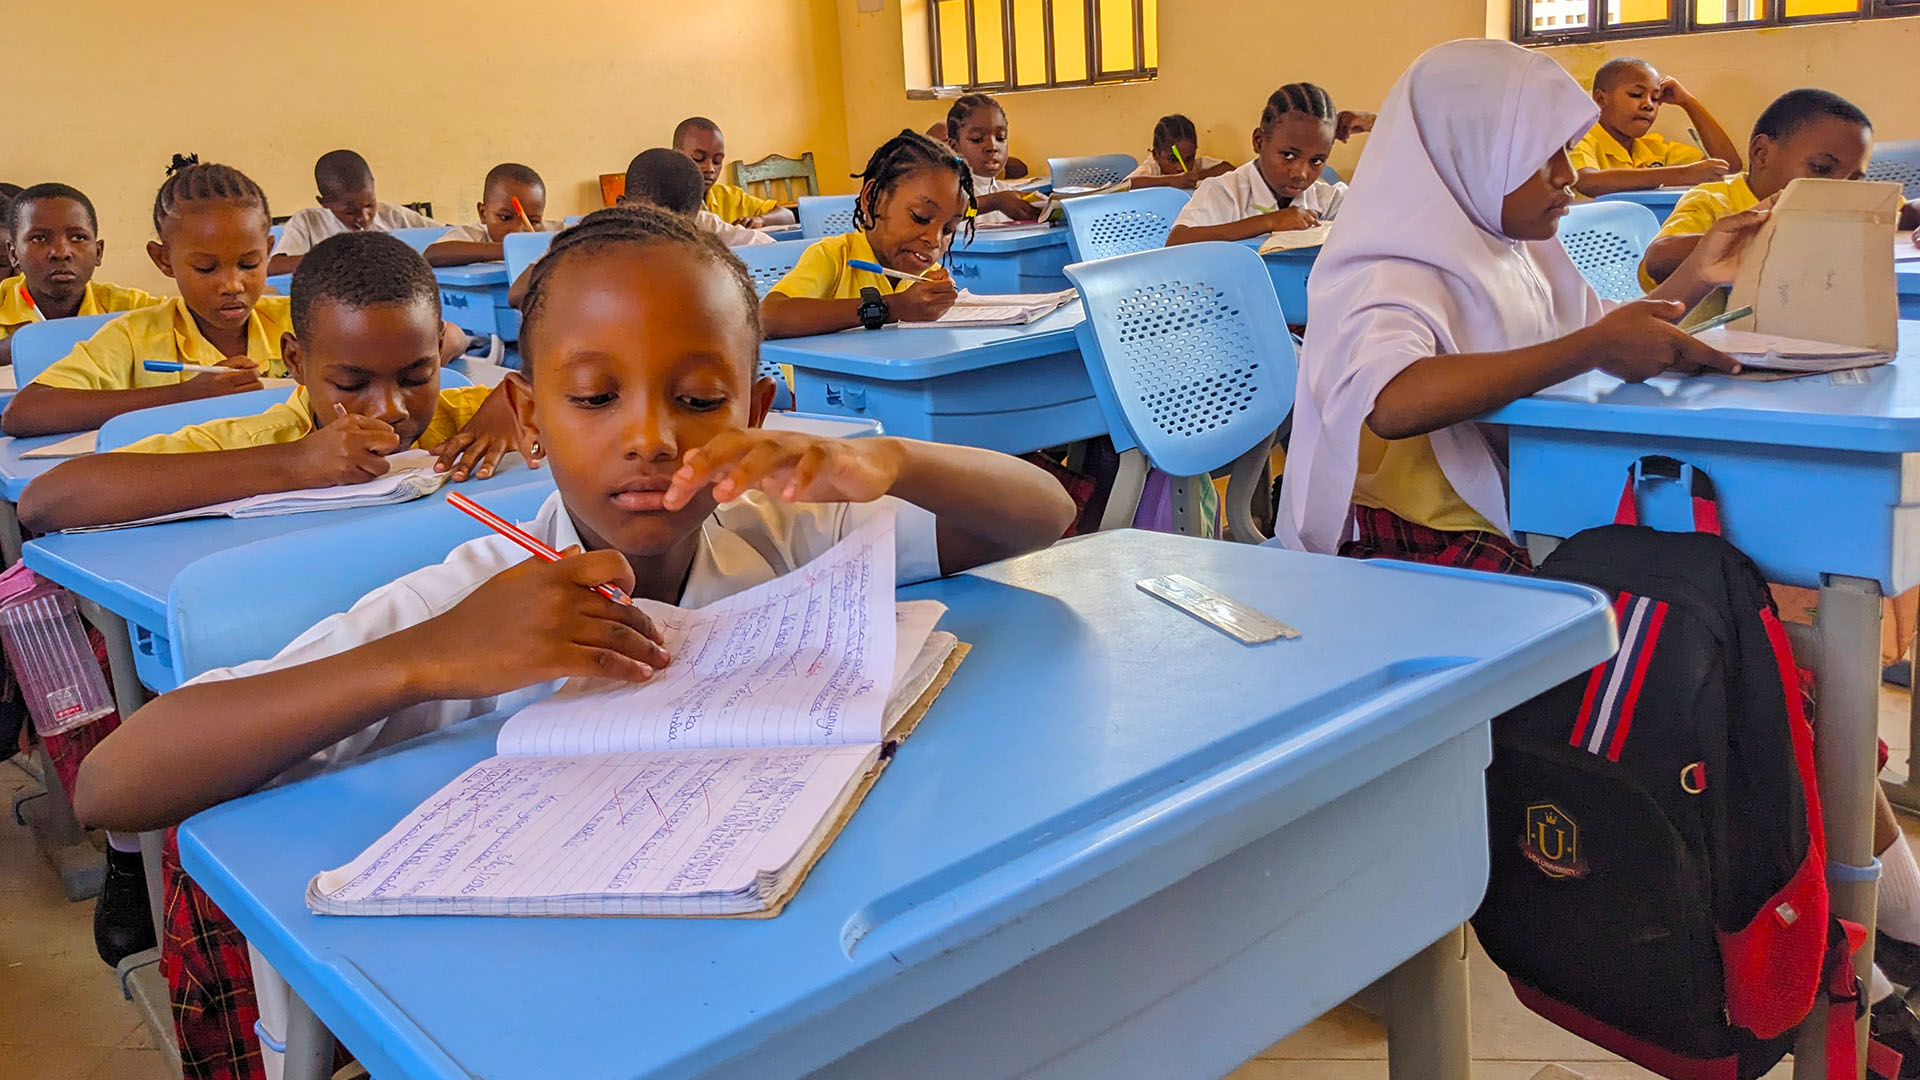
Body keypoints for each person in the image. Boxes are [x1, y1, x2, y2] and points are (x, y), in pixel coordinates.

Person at [72, 207, 1074, 1080]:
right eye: (595, 398)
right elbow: (115, 784)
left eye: (699, 399)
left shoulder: (783, 531)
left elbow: (1041, 516)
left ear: (756, 408)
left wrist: (887, 457)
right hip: (525, 1018)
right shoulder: (470, 603)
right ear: (532, 420)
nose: (651, 438)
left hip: (764, 973)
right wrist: (425, 659)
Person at [18, 231, 532, 533]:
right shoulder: (265, 440)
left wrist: (522, 399)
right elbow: (47, 501)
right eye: (351, 384)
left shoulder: (467, 421)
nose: (390, 408)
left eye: (417, 375)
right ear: (295, 362)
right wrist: (296, 463)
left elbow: (556, 390)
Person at [1641, 88, 1920, 287]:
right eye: (1821, 168)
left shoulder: (1848, 203)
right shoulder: (1715, 201)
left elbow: (1907, 211)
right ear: (1762, 153)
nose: (1839, 188)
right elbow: (1658, 258)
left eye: (1855, 179)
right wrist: (1762, 242)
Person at [760, 131, 967, 338]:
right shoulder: (834, 257)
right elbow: (768, 318)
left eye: (948, 229)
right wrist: (893, 307)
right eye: (920, 217)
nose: (934, 240)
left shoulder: (927, 278)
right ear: (872, 198)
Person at [1166, 84, 1353, 246]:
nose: (1301, 173)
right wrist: (1268, 221)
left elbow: (1371, 222)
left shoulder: (1326, 199)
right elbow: (1177, 241)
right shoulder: (1224, 192)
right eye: (1288, 155)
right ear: (1259, 141)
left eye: (1316, 160)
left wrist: (1368, 123)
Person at [0, 183, 161, 367]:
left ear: (98, 252)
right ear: (14, 254)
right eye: (39, 238)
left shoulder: (134, 309)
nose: (61, 253)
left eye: (78, 237)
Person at [1568, 57, 1742, 197]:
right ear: (1600, 99)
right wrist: (1682, 175)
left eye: (1655, 98)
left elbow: (1728, 166)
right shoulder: (1579, 139)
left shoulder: (1652, 148)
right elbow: (1588, 182)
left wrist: (1689, 102)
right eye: (1636, 94)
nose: (1648, 105)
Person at [266, 149, 438, 275]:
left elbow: (447, 233)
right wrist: (342, 258)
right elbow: (275, 266)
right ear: (324, 203)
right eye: (350, 212)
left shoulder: (393, 216)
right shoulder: (309, 222)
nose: (364, 217)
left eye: (370, 205)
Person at [619, 149, 774, 247]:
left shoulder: (704, 224)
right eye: (651, 222)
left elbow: (767, 245)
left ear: (696, 211)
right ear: (623, 206)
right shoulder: (609, 247)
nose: (667, 233)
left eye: (681, 227)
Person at [424, 162, 559, 267]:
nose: (518, 230)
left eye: (533, 221)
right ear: (483, 213)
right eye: (505, 218)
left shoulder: (549, 235)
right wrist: (508, 249)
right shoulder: (475, 235)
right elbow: (432, 254)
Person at [672, 116, 797, 228]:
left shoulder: (729, 197)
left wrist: (761, 220)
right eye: (698, 158)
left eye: (717, 161)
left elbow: (787, 216)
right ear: (676, 156)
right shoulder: (665, 201)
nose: (710, 169)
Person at [942, 93, 1042, 224]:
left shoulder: (1007, 193)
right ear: (954, 148)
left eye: (1000, 137)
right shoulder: (950, 193)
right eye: (977, 139)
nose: (992, 147)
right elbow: (959, 215)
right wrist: (994, 203)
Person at [1125, 114, 1232, 191]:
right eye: (1172, 160)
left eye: (1189, 159)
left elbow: (1229, 169)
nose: (1181, 167)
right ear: (1156, 154)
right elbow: (1124, 186)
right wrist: (1170, 181)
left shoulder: (1194, 167)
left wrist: (1197, 175)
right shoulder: (1152, 167)